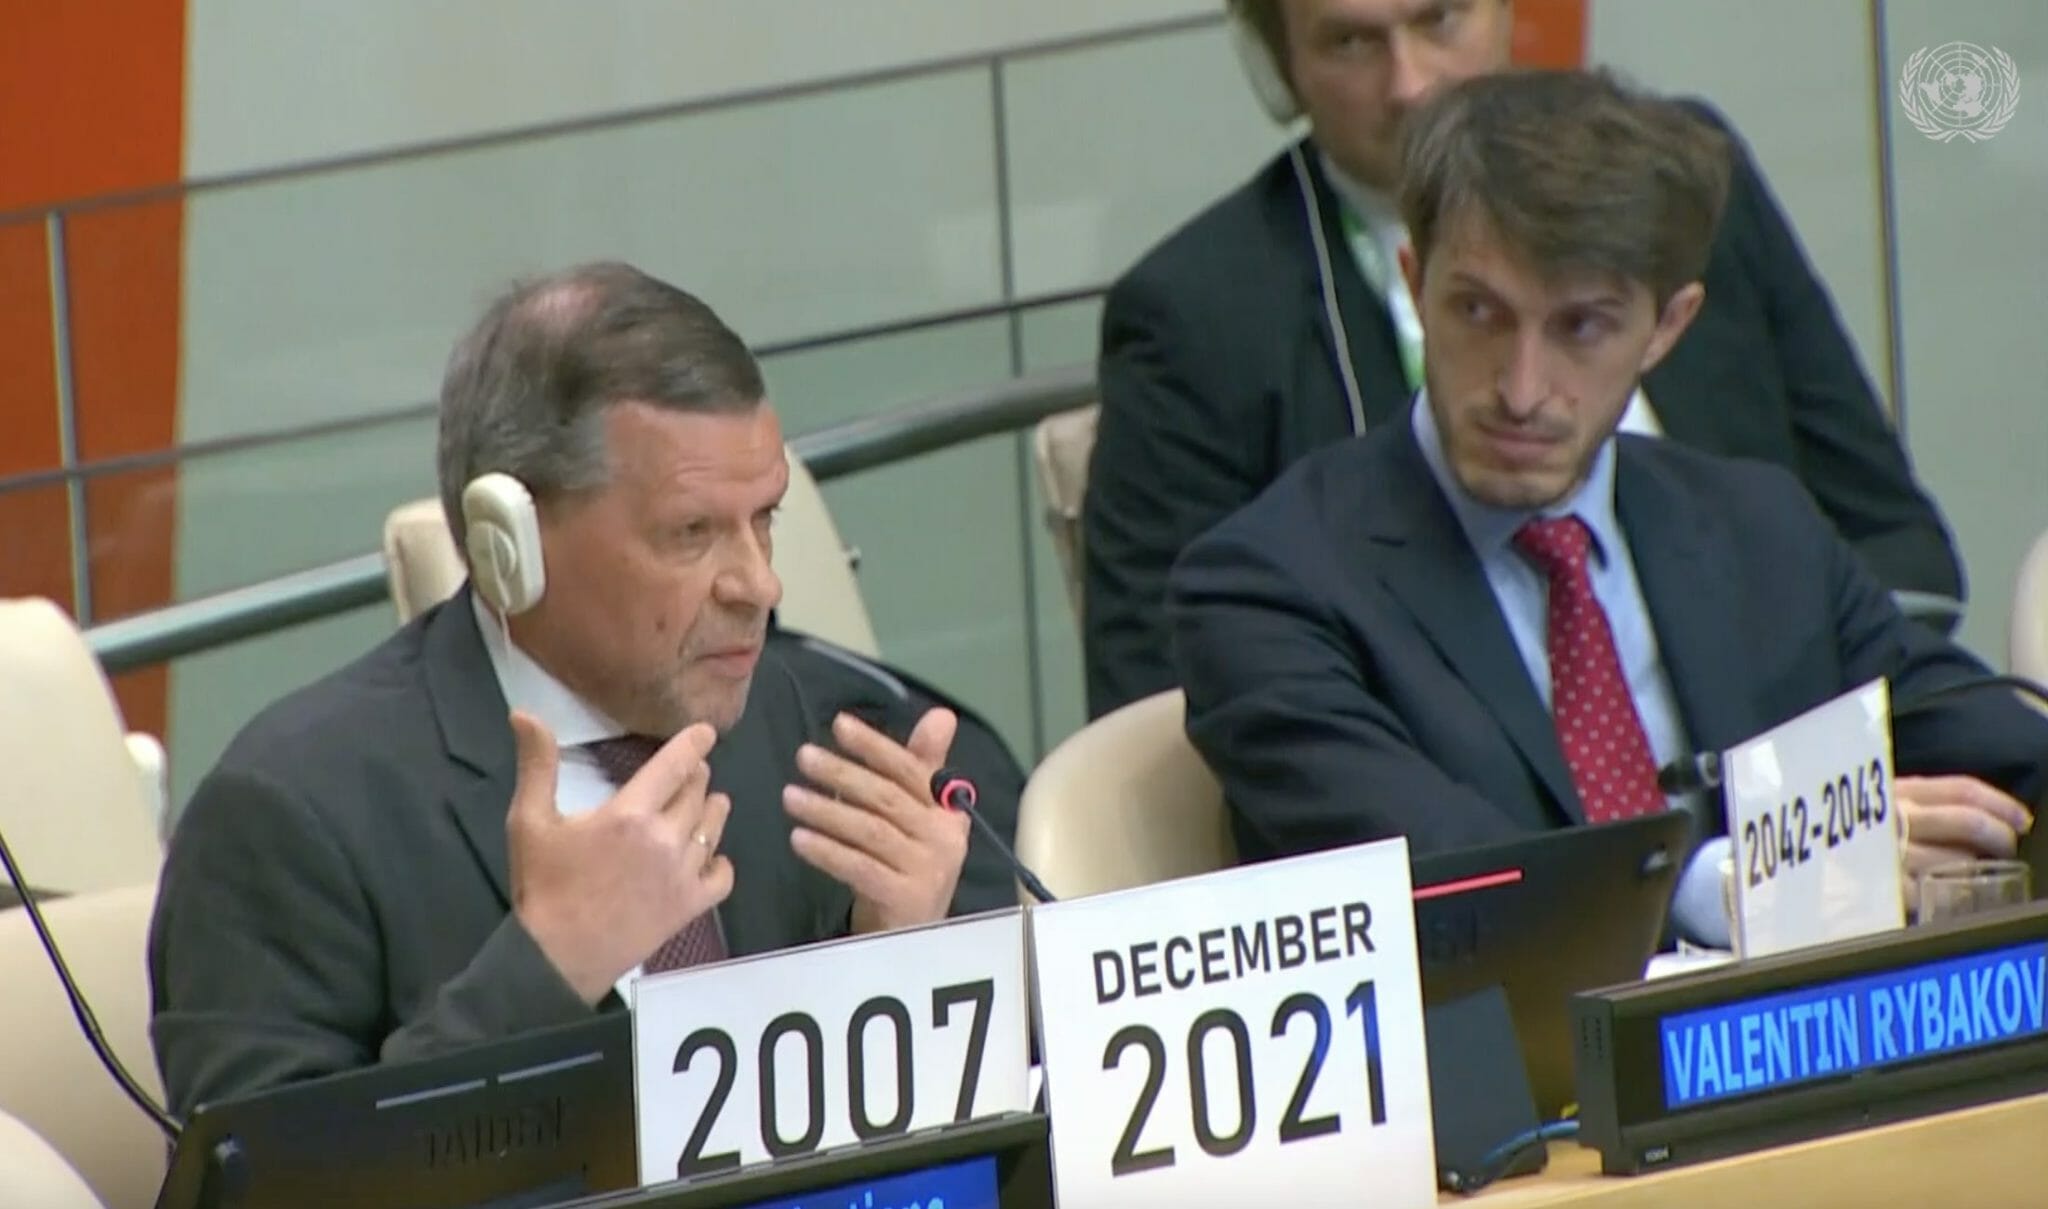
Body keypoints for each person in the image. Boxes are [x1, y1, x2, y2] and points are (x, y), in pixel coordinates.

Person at [1167, 69, 2048, 945]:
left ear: (1667, 327)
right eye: (1478, 311)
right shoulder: (1267, 587)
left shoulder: (1757, 527)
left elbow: (1995, 745)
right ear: (1415, 283)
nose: (1521, 390)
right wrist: (1731, 884)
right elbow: (1449, 879)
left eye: (1581, 326)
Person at [149, 263, 976, 1117]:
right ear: (510, 543)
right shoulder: (289, 815)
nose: (760, 583)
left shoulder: (798, 728)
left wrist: (890, 964)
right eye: (692, 532)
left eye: (764, 518)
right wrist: (545, 968)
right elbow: (267, 1175)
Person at [1083, 0, 1964, 719]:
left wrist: (1798, 776)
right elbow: (1160, 698)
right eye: (1350, 42)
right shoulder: (1197, 311)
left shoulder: (1677, 184)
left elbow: (1901, 546)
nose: (1411, 84)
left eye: (1440, 20)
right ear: (1281, 68)